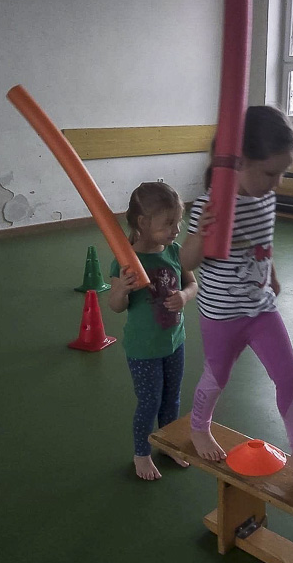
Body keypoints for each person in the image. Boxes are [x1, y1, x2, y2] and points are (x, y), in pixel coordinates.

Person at [181, 106, 293, 490]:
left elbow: (264, 242)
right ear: (239, 162)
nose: (277, 183)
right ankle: (199, 426)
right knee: (218, 375)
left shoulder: (265, 199)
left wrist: (273, 276)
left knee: (289, 373)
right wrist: (201, 235)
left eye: (282, 173)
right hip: (221, 315)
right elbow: (186, 261)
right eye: (270, 173)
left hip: (261, 308)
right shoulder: (210, 207)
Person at [108, 182, 198, 480]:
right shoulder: (126, 262)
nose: (176, 229)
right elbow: (116, 306)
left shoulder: (174, 251)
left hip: (175, 341)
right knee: (150, 402)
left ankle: (168, 444)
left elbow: (192, 283)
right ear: (143, 223)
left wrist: (184, 296)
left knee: (172, 398)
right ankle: (142, 454)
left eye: (178, 222)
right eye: (169, 223)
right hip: (143, 348)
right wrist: (122, 289)